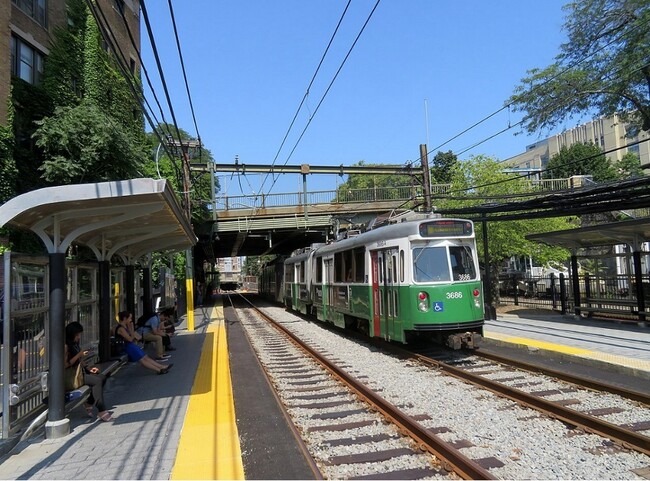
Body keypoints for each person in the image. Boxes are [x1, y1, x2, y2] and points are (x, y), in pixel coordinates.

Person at [64, 321, 113, 422]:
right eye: (77, 335)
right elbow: (66, 364)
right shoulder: (65, 346)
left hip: (79, 373)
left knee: (102, 377)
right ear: (71, 334)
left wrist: (89, 368)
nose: (79, 337)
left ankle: (89, 402)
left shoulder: (74, 344)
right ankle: (101, 410)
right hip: (71, 377)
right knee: (97, 381)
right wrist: (80, 354)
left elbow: (79, 362)